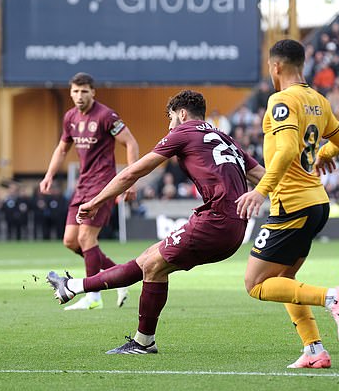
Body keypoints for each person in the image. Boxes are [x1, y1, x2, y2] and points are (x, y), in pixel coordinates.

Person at [47, 90, 265, 353]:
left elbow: (134, 171)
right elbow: (264, 175)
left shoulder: (183, 132)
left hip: (216, 220)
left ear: (182, 113)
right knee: (151, 261)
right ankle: (131, 332)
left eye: (171, 118)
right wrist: (261, 194)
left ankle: (76, 289)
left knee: (151, 263)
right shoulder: (224, 137)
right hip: (234, 226)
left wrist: (95, 202)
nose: (169, 125)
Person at [235, 39, 339, 369]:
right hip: (317, 203)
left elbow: (286, 151)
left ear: (276, 67)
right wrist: (322, 157)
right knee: (284, 278)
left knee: (255, 284)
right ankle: (314, 349)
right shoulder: (318, 100)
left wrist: (261, 191)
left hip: (293, 205)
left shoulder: (282, 100)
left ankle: (332, 298)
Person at [40, 72, 140, 310]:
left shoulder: (106, 116)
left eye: (84, 91)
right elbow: (62, 149)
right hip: (82, 184)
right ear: (70, 92)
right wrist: (49, 174)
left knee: (86, 238)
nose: (79, 96)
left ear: (93, 92)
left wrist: (132, 180)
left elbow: (131, 143)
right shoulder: (70, 118)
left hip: (103, 185)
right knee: (70, 241)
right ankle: (119, 277)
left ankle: (93, 296)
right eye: (75, 91)